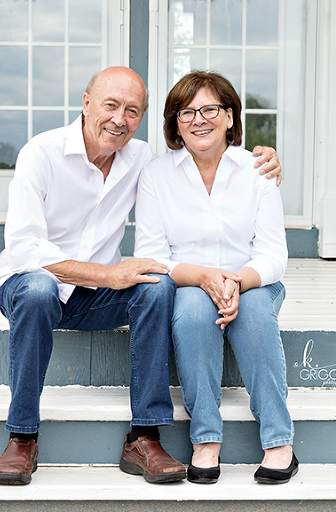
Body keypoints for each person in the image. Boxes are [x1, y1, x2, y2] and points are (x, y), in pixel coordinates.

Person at [0, 66, 282, 485]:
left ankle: (144, 435)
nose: (119, 119)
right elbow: (25, 250)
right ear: (86, 103)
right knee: (37, 290)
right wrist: (108, 274)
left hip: (96, 297)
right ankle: (22, 437)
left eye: (132, 111)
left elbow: (207, 157)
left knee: (156, 283)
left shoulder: (142, 158)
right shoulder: (42, 152)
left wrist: (266, 158)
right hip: (34, 288)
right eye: (110, 105)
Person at [134, 70, 297, 484]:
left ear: (229, 117)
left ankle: (279, 441)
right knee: (189, 312)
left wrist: (237, 283)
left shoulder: (257, 169)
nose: (198, 119)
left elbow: (275, 254)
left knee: (256, 313)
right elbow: (150, 256)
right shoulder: (156, 175)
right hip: (189, 283)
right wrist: (204, 277)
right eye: (186, 112)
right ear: (174, 124)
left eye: (210, 109)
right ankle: (206, 438)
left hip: (253, 281)